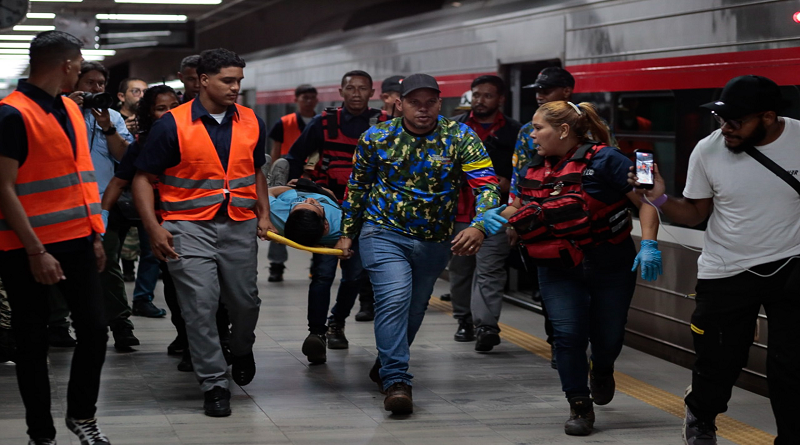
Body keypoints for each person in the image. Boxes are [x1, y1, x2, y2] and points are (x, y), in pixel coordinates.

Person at [630, 75, 800, 445]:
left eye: (736, 121)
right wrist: (658, 198)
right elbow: (693, 215)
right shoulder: (708, 150)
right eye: (721, 119)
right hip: (727, 268)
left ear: (768, 117)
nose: (726, 128)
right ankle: (701, 416)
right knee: (720, 360)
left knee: (791, 365)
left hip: (792, 264)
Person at [336, 73, 501, 414]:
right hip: (382, 232)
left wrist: (481, 225)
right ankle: (397, 381)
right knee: (394, 298)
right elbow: (357, 187)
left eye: (430, 103)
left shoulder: (459, 136)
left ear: (440, 104)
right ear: (400, 104)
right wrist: (348, 232)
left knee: (414, 309)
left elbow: (487, 184)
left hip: (434, 241)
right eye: (414, 103)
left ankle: (386, 363)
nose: (423, 110)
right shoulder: (378, 137)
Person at [496, 100, 662, 436]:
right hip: (558, 268)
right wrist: (489, 221)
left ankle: (602, 369)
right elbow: (519, 206)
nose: (532, 135)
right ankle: (579, 405)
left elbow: (646, 202)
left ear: (563, 130)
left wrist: (648, 243)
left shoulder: (607, 160)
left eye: (538, 127)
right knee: (567, 336)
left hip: (611, 265)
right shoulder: (533, 165)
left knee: (608, 336)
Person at [133, 48, 273, 417]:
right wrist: (153, 227)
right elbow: (144, 179)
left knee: (245, 302)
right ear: (204, 80)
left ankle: (241, 347)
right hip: (187, 227)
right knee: (200, 306)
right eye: (228, 81)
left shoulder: (251, 122)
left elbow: (256, 172)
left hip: (238, 224)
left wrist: (265, 214)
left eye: (239, 81)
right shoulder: (172, 124)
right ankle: (213, 382)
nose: (235, 88)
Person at [0, 30, 112, 445]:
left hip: (79, 240)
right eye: (80, 64)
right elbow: (4, 188)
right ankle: (41, 434)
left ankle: (82, 415)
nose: (81, 70)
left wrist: (95, 236)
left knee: (95, 330)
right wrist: (35, 250)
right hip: (25, 249)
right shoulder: (11, 114)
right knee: (31, 342)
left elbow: (78, 179)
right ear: (66, 65)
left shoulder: (68, 108)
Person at [285, 70, 388, 363]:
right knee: (323, 273)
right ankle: (316, 333)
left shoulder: (383, 124)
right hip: (328, 212)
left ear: (372, 93)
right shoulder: (323, 123)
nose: (356, 93)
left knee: (354, 275)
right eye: (350, 88)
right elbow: (295, 156)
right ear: (341, 92)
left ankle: (337, 322)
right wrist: (292, 191)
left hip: (367, 212)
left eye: (362, 89)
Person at [446, 75, 520, 352]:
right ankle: (464, 319)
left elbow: (522, 174)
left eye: (487, 96)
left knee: (490, 270)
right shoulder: (455, 128)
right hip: (459, 212)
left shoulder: (515, 132)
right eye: (476, 95)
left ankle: (486, 325)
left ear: (500, 99)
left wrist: (507, 187)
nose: (479, 101)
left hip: (496, 214)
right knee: (461, 270)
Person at [69, 61, 139, 350]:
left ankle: (121, 324)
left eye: (101, 84)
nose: (96, 89)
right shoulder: (60, 110)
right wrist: (69, 109)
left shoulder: (112, 116)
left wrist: (108, 128)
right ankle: (59, 323)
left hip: (104, 204)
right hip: (67, 203)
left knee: (107, 262)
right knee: (66, 263)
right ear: (76, 84)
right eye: (90, 84)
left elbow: (125, 157)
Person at [511, 66, 577, 368]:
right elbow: (519, 176)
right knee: (552, 288)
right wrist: (516, 216)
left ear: (566, 91)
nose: (539, 95)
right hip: (544, 224)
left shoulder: (592, 125)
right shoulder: (527, 132)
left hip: (582, 225)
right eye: (537, 90)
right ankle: (559, 342)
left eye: (546, 90)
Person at [353, 76, 404, 322]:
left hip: (407, 213)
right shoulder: (375, 127)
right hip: (376, 208)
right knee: (367, 262)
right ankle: (367, 303)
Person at [265, 83, 319, 282]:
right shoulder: (284, 122)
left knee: (314, 218)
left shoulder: (321, 122)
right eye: (304, 97)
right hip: (287, 176)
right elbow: (275, 150)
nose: (308, 101)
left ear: (317, 100)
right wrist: (273, 176)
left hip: (312, 178)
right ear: (296, 100)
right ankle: (276, 264)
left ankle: (316, 263)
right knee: (280, 218)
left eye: (311, 97)